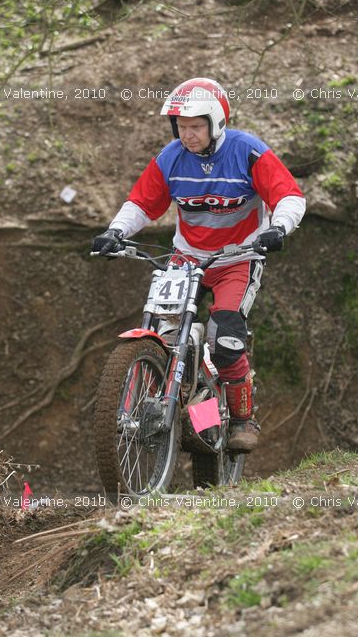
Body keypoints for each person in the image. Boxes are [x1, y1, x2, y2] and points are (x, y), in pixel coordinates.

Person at [92, 78, 306, 453]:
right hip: (186, 257)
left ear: (217, 121)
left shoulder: (248, 152)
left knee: (222, 340)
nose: (187, 134)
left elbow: (289, 195)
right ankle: (188, 412)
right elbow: (142, 203)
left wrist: (278, 228)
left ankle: (242, 418)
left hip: (237, 259)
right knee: (167, 337)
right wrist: (115, 231)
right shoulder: (171, 157)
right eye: (181, 126)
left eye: (195, 126)